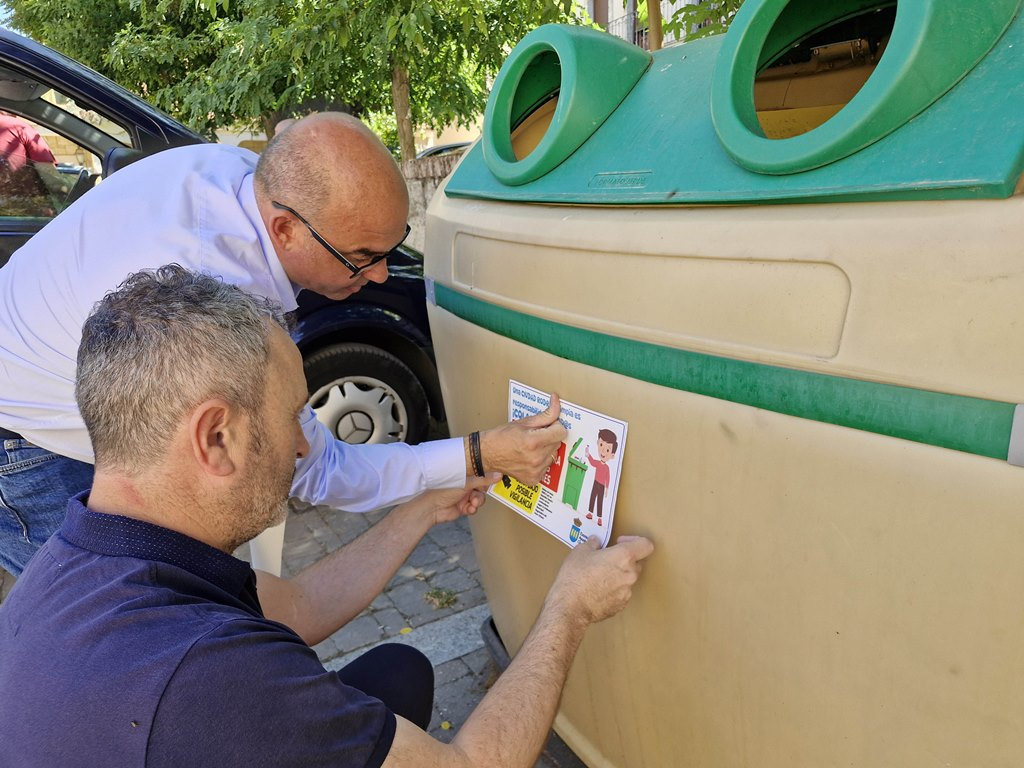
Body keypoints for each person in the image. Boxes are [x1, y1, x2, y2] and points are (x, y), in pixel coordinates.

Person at [0, 267, 654, 767]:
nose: (306, 445)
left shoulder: (83, 557)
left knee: (394, 676)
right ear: (216, 438)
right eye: (292, 417)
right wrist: (570, 607)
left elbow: (304, 604)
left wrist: (422, 511)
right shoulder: (211, 677)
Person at [0, 111, 565, 576]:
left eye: (392, 249)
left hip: (39, 355)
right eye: (362, 258)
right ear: (285, 230)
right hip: (28, 444)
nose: (380, 278)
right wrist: (477, 453)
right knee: (131, 631)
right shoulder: (212, 296)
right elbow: (313, 467)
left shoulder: (247, 177)